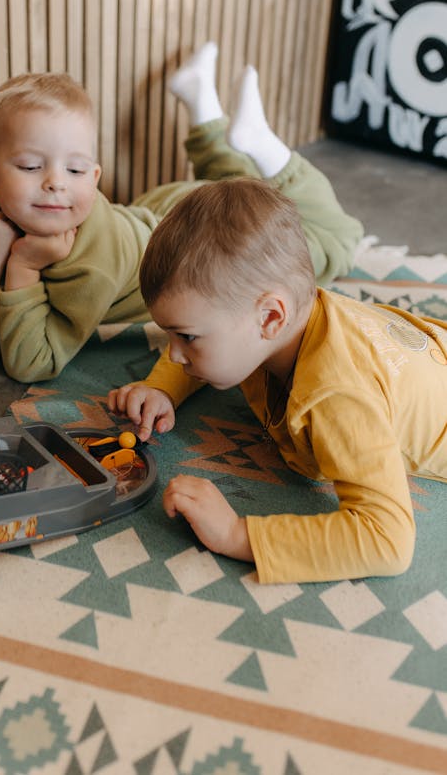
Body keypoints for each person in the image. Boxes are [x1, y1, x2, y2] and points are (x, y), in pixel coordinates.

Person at [0, 43, 363, 383]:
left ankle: (265, 146)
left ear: (95, 176)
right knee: (231, 180)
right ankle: (205, 108)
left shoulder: (94, 263)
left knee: (335, 240)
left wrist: (24, 268)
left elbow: (32, 363)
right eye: (31, 166)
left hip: (203, 247)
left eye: (76, 169)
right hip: (159, 212)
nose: (56, 182)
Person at [107, 178, 447, 584]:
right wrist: (163, 386)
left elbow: (387, 539)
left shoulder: (336, 399)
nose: (174, 354)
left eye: (187, 337)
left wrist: (238, 535)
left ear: (270, 317)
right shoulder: (280, 322)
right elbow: (215, 340)